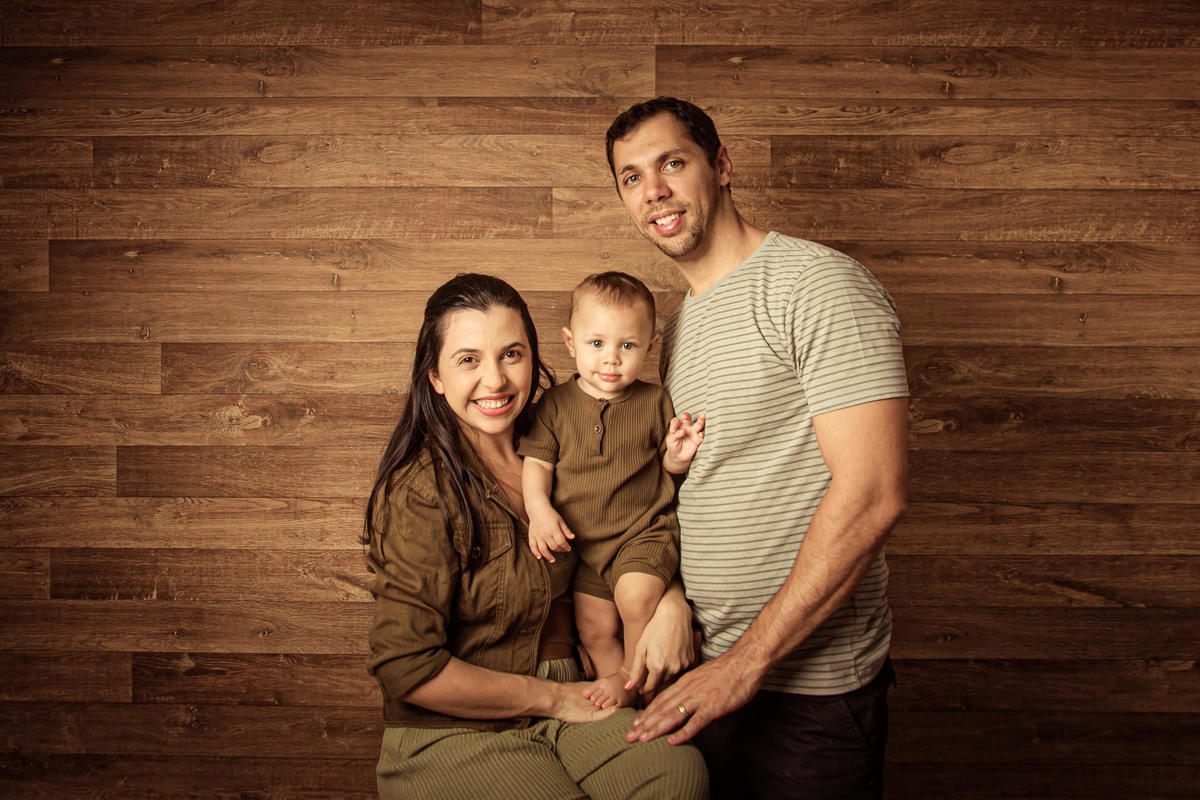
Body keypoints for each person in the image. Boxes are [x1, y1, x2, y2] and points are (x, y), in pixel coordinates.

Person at [605, 97, 910, 799]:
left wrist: (747, 664)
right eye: (630, 178)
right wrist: (674, 598)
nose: (653, 192)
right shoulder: (677, 330)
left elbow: (874, 494)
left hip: (808, 695)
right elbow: (689, 491)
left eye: (672, 163)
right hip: (703, 676)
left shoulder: (817, 286)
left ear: (722, 166)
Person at [362, 273, 708, 799]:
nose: (496, 380)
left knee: (675, 775)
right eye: (468, 360)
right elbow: (406, 668)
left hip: (573, 689)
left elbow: (628, 525)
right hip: (456, 722)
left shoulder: (558, 431)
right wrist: (551, 699)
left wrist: (670, 602)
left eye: (512, 354)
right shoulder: (420, 489)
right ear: (434, 376)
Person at [519, 271, 706, 709]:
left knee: (635, 598)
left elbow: (665, 468)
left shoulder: (654, 402)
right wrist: (540, 509)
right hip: (587, 549)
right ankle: (616, 688)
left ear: (651, 346)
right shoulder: (556, 405)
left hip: (643, 533)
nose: (611, 360)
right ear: (570, 342)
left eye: (627, 346)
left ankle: (634, 678)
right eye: (596, 343)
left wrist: (678, 456)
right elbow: (538, 465)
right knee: (594, 627)